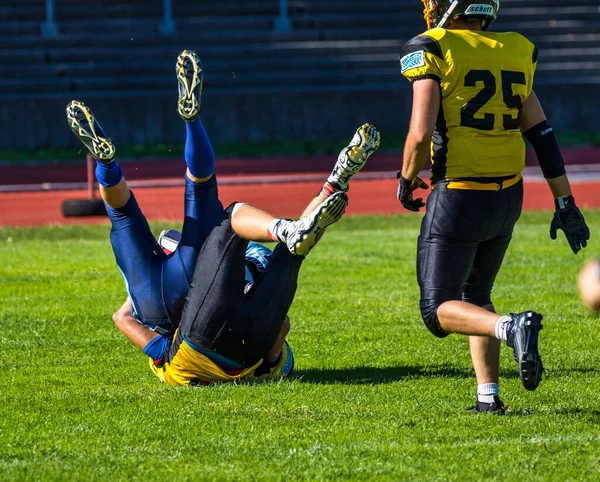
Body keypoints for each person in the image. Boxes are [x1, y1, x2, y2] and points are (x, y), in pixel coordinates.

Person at [66, 49, 381, 385]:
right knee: (128, 212)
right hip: (159, 297)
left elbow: (281, 319)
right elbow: (122, 317)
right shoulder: (261, 329)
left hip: (197, 296)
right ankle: (114, 162)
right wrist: (158, 346)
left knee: (245, 220)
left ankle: (179, 131)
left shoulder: (262, 290)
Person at [396, 1, 590, 413]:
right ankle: (488, 398)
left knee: (437, 309)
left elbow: (420, 131)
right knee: (476, 293)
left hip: (460, 194)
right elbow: (542, 134)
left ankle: (511, 327)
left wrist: (408, 177)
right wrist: (565, 200)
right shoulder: (514, 49)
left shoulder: (433, 46)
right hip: (508, 196)